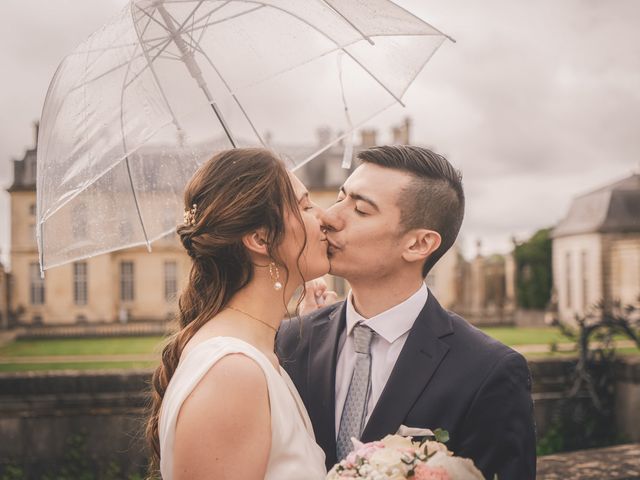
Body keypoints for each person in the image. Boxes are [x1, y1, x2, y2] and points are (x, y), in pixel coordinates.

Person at [277, 145, 537, 480]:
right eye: (340, 197)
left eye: (360, 209)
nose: (327, 216)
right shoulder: (289, 341)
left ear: (418, 244)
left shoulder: (489, 372)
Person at [146, 148, 329, 479]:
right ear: (260, 238)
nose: (324, 217)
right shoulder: (232, 374)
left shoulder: (252, 356)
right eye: (304, 206)